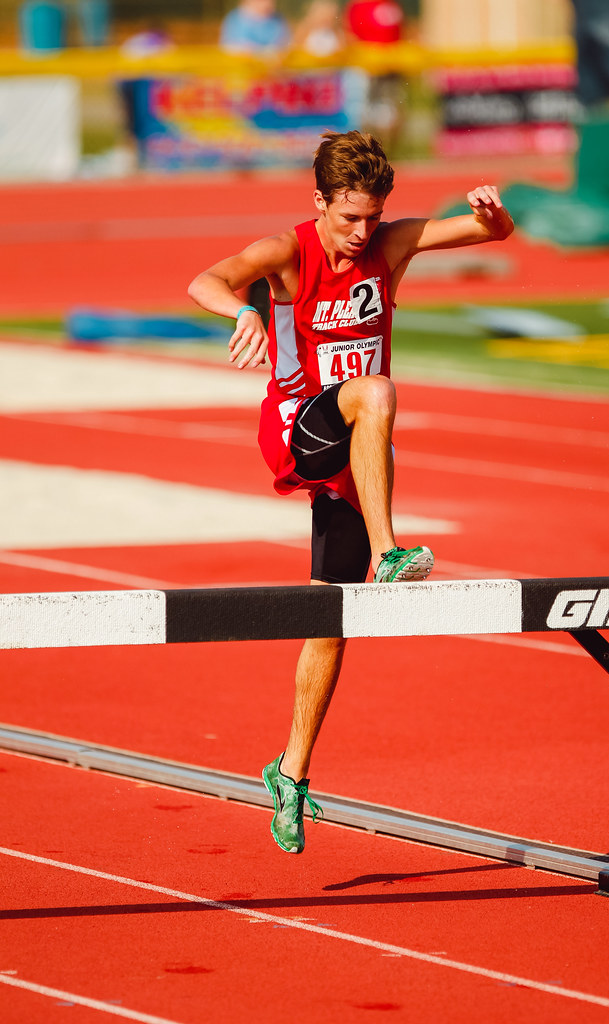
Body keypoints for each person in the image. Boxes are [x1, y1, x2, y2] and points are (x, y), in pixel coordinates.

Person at [188, 130, 513, 854]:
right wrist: (242, 311)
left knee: (331, 615)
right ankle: (392, 549)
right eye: (348, 219)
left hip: (354, 460)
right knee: (374, 389)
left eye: (371, 218)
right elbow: (206, 279)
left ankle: (290, 772)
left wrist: (491, 213)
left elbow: (486, 229)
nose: (360, 233)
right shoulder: (287, 250)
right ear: (319, 203)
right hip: (300, 427)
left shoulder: (389, 245)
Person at [219, 0, 291, 54]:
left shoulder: (277, 19)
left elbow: (286, 44)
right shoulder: (236, 19)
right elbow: (232, 48)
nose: (269, 3)